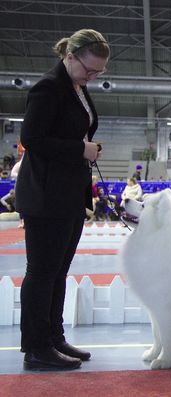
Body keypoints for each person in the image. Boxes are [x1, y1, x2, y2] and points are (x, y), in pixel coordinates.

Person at [14, 29, 109, 371]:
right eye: (89, 70)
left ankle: (54, 337)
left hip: (68, 194)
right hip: (45, 196)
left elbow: (75, 131)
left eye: (99, 72)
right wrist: (78, 149)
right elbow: (32, 138)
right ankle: (36, 348)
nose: (92, 77)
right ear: (70, 56)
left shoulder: (77, 88)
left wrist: (86, 150)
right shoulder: (47, 87)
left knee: (58, 271)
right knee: (41, 273)